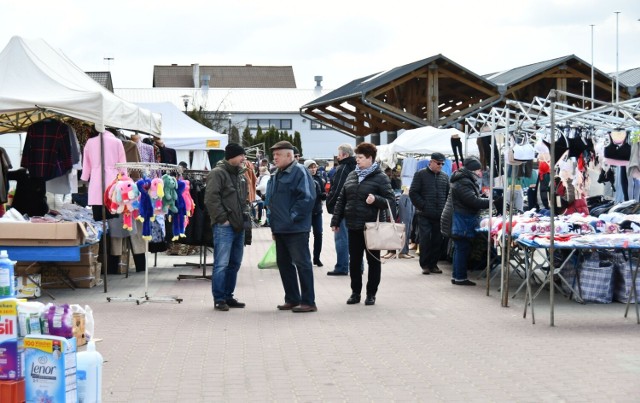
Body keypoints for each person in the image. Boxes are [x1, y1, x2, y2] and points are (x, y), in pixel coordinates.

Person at [330, 142, 395, 306]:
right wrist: (335, 221)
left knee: (373, 261)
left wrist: (376, 200)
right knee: (355, 261)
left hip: (372, 227)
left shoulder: (381, 177)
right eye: (357, 157)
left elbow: (391, 201)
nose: (357, 160)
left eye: (360, 157)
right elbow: (341, 200)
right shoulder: (352, 175)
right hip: (353, 225)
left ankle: (371, 293)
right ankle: (355, 292)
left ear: (370, 158)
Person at [267, 140, 317, 312]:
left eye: (278, 155)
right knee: (284, 264)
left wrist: (292, 217)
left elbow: (307, 198)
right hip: (281, 228)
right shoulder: (277, 173)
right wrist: (274, 226)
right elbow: (274, 201)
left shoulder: (300, 171)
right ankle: (292, 298)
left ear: (289, 155)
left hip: (296, 228)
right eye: (274, 155)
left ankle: (309, 302)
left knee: (302, 264)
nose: (275, 158)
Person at [204, 143, 249, 311]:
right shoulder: (218, 173)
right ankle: (219, 298)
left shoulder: (239, 174)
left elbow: (242, 198)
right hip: (225, 226)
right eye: (241, 156)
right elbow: (210, 198)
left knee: (235, 263)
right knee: (222, 264)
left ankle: (228, 296)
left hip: (238, 225)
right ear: (232, 156)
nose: (243, 159)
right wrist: (222, 219)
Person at [440, 156, 490, 286]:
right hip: (461, 219)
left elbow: (470, 198)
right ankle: (460, 277)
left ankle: (457, 276)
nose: (480, 173)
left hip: (460, 217)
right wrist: (491, 202)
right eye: (479, 170)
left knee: (460, 248)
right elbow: (472, 201)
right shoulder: (463, 181)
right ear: (472, 170)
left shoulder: (463, 179)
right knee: (462, 247)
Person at [409, 152, 450, 275]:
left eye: (442, 164)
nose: (440, 166)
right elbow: (413, 193)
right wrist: (423, 206)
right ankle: (425, 265)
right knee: (425, 239)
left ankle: (433, 264)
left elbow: (448, 194)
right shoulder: (420, 174)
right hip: (424, 214)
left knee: (437, 240)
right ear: (431, 162)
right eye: (438, 163)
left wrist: (444, 209)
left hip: (439, 215)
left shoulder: (444, 176)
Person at [325, 143, 357, 276]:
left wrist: (329, 203)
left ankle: (342, 267)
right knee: (355, 240)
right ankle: (358, 267)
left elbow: (337, 189)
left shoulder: (343, 168)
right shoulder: (357, 167)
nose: (337, 157)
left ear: (345, 155)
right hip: (356, 209)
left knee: (341, 239)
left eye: (339, 154)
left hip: (343, 209)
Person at [304, 159, 327, 267]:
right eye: (310, 167)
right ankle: (305, 258)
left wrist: (324, 195)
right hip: (306, 212)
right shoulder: (303, 178)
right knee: (305, 235)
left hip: (317, 211)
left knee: (318, 234)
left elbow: (323, 193)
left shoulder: (319, 179)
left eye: (314, 167)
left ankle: (316, 258)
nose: (313, 169)